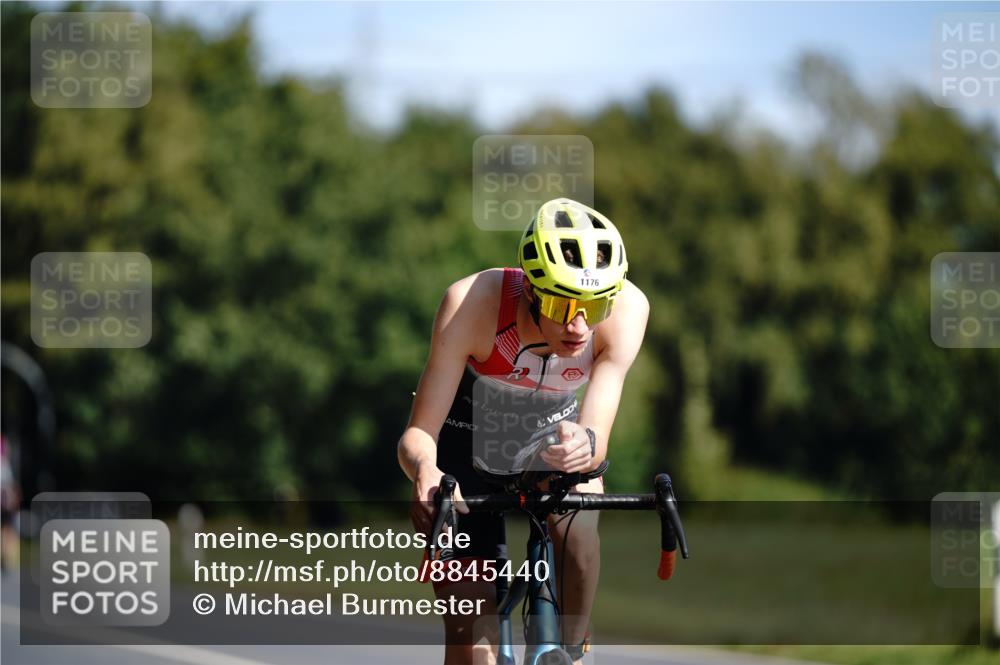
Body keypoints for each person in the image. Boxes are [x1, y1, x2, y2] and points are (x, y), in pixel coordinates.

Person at [398, 198, 649, 665]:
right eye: (561, 303)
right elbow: (417, 435)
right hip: (463, 446)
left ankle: (575, 649)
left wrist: (585, 444)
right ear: (531, 290)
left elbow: (595, 434)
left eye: (592, 307)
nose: (578, 326)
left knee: (579, 522)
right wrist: (426, 471)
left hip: (550, 443)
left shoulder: (627, 310)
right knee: (474, 651)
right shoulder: (472, 304)